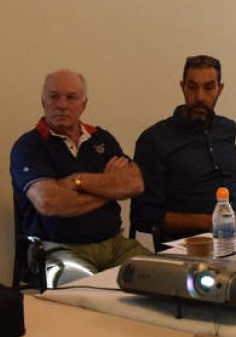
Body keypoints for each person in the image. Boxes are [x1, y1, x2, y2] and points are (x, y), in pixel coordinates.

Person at [10, 69, 149, 284]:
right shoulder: (29, 146)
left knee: (159, 278)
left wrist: (78, 181)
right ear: (43, 102)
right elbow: (49, 202)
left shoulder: (101, 139)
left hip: (115, 246)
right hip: (55, 249)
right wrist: (109, 187)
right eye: (54, 96)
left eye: (71, 97)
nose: (62, 104)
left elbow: (135, 183)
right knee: (89, 293)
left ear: (83, 104)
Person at [132, 55, 236, 241]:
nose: (200, 97)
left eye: (209, 87)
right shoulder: (155, 139)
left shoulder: (227, 128)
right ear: (183, 87)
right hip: (194, 239)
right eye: (193, 87)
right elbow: (143, 216)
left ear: (220, 90)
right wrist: (206, 221)